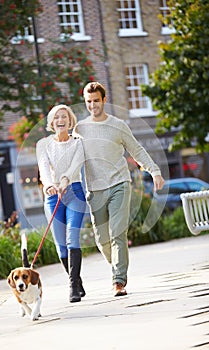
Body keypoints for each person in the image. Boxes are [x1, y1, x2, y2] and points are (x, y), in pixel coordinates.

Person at [74, 82, 165, 297]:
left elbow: (136, 149)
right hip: (95, 189)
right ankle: (116, 264)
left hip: (119, 184)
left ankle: (119, 281)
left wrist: (154, 170)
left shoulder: (118, 125)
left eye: (96, 100)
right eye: (89, 102)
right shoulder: (80, 128)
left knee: (117, 233)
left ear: (104, 100)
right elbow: (72, 158)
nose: (93, 105)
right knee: (102, 239)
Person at [36, 104, 86, 303]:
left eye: (64, 116)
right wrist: (49, 185)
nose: (60, 120)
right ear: (51, 122)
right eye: (56, 117)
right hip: (53, 195)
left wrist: (65, 180)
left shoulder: (78, 143)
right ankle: (77, 280)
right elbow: (44, 168)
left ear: (70, 120)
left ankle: (73, 287)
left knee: (72, 238)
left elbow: (76, 166)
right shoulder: (44, 144)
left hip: (74, 191)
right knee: (61, 246)